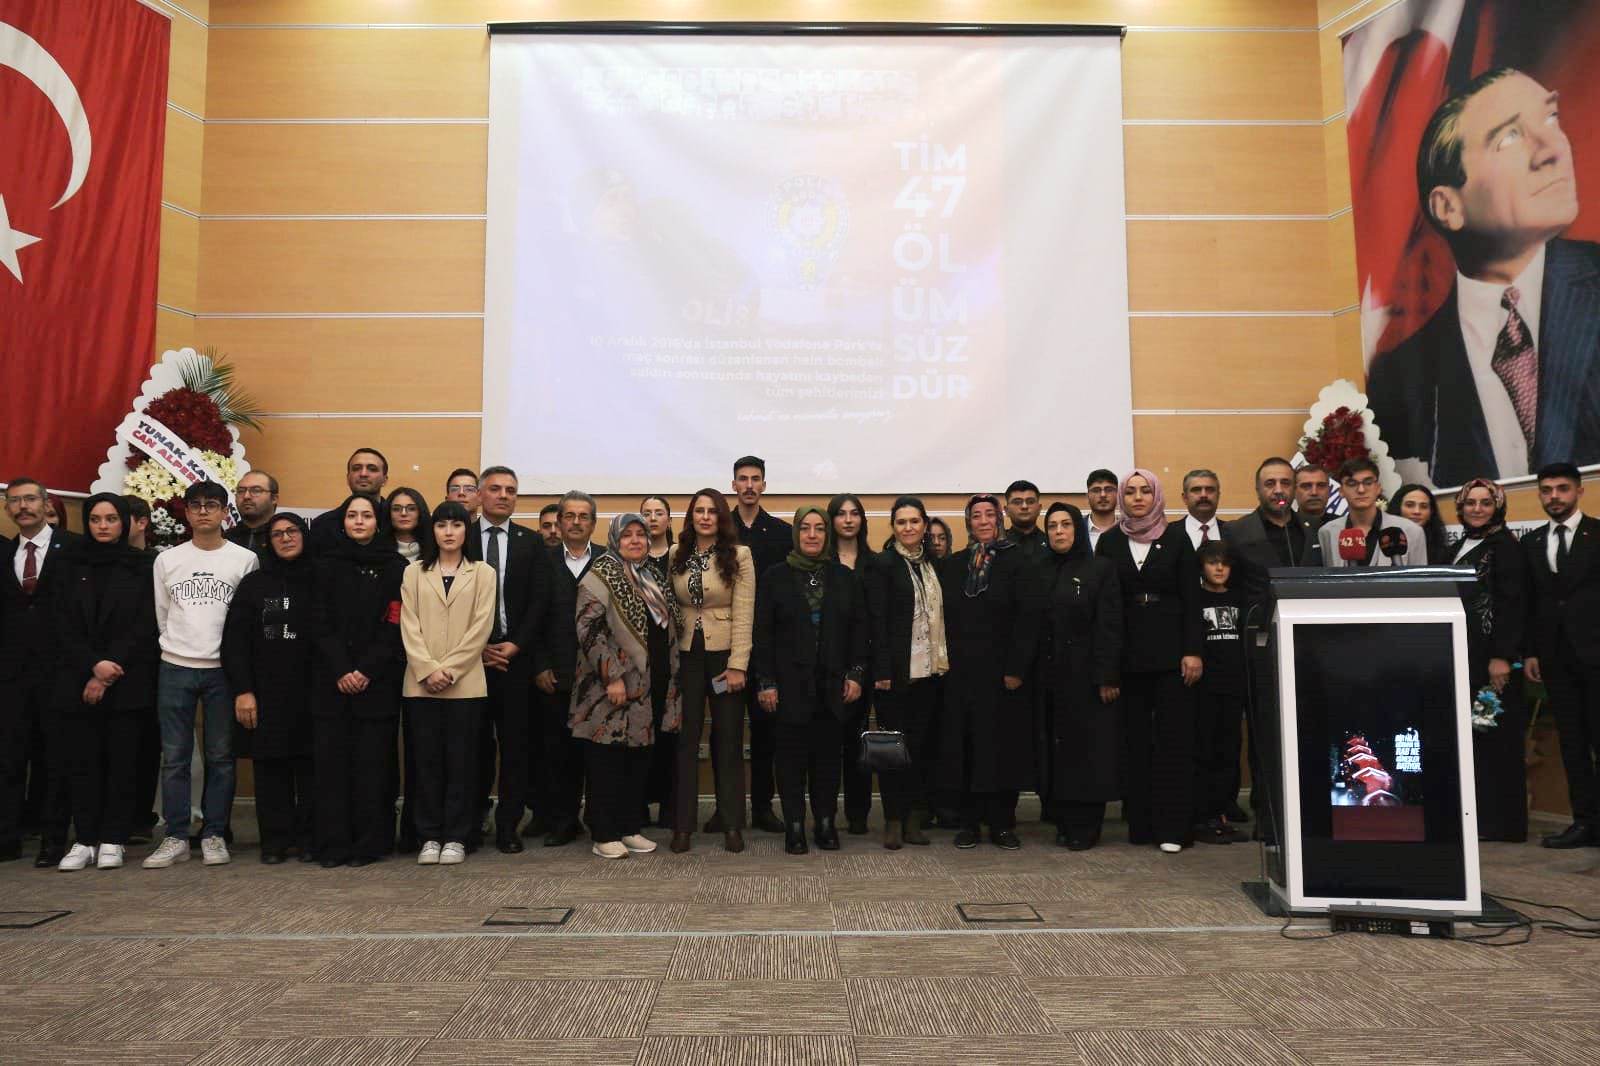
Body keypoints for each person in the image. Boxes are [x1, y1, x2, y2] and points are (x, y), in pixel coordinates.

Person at [1367, 68, 1600, 486]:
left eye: (1551, 118)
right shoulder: (1399, 376)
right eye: (1508, 137)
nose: (1552, 150)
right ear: (1448, 207)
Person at [143, 480, 261, 870]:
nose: (204, 511)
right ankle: (176, 835)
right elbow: (162, 615)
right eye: (196, 505)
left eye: (212, 504)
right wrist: (177, 647)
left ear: (226, 511)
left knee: (221, 756)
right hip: (175, 665)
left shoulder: (244, 559)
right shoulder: (167, 560)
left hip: (222, 670)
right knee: (174, 757)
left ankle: (213, 833)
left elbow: (246, 620)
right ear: (187, 512)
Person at [1096, 469, 1204, 854]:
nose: (1138, 497)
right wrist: (1108, 667)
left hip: (1173, 655)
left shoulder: (1176, 538)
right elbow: (1103, 605)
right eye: (1131, 492)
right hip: (1127, 655)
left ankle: (1174, 827)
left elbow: (1193, 598)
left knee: (1173, 743)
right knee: (1134, 743)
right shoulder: (1110, 541)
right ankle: (1141, 825)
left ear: (1156, 495)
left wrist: (1193, 650)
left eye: (1145, 491)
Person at [51, 494, 158, 871]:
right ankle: (84, 839)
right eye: (96, 519)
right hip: (78, 679)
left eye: (111, 519)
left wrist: (111, 666)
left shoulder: (143, 565)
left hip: (127, 680)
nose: (103, 526)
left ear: (124, 522)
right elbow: (61, 622)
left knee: (122, 762)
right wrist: (93, 666)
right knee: (82, 763)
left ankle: (114, 837)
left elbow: (146, 622)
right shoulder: (69, 564)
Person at [753, 506, 869, 854]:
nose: (813, 535)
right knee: (790, 760)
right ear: (796, 533)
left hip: (833, 685)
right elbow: (763, 634)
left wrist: (856, 673)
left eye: (819, 528)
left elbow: (859, 630)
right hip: (788, 685)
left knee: (828, 759)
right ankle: (795, 825)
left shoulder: (844, 577)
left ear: (827, 534)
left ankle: (825, 822)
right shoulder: (774, 577)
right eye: (805, 528)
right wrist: (766, 682)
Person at [571, 513, 682, 860]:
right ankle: (604, 832)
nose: (635, 540)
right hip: (611, 686)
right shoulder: (600, 574)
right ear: (615, 540)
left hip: (650, 683)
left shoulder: (652, 577)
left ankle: (629, 827)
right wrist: (613, 676)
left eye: (641, 534)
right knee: (607, 758)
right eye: (627, 535)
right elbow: (588, 629)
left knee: (638, 757)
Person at [936, 493, 1040, 850]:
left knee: (1002, 748)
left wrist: (1016, 668)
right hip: (962, 675)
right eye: (976, 515)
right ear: (968, 522)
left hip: (1003, 675)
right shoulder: (954, 565)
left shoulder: (1019, 561)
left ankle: (1002, 823)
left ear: (999, 519)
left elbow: (1028, 619)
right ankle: (969, 822)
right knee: (965, 747)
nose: (983, 521)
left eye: (989, 515)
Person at [309, 493, 405, 867]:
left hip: (377, 682)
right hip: (332, 682)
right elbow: (319, 622)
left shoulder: (396, 567)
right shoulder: (324, 565)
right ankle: (333, 844)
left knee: (372, 768)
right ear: (343, 522)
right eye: (352, 515)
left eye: (367, 515)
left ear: (379, 523)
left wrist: (365, 670)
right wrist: (342, 669)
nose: (359, 521)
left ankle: (370, 844)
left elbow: (395, 623)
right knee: (332, 768)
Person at [401, 500, 496, 867]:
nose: (449, 532)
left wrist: (450, 670)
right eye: (442, 525)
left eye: (456, 525)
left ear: (466, 531)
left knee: (462, 763)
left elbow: (481, 626)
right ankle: (429, 835)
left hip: (466, 684)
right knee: (426, 763)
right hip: (420, 684)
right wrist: (428, 669)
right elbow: (409, 625)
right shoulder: (413, 572)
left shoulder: (483, 573)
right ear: (433, 530)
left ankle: (457, 835)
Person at [222, 512, 317, 864]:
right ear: (268, 542)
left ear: (304, 535)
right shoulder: (254, 585)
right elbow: (235, 642)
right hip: (265, 693)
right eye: (277, 534)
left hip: (312, 693)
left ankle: (309, 839)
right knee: (270, 769)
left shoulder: (321, 578)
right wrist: (243, 690)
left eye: (292, 531)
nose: (286, 538)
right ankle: (275, 841)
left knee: (311, 769)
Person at [466, 466, 548, 853]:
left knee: (516, 748)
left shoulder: (531, 543)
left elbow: (539, 602)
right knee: (473, 746)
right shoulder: (460, 537)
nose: (503, 495)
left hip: (515, 661)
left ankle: (507, 826)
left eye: (511, 490)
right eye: (496, 489)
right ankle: (470, 821)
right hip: (469, 661)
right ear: (480, 495)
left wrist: (516, 644)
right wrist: (476, 647)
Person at [669, 487, 756, 853]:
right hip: (687, 659)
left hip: (724, 662)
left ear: (722, 517)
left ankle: (732, 824)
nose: (705, 517)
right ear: (691, 517)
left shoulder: (740, 555)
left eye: (712, 511)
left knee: (728, 740)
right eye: (699, 511)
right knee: (686, 741)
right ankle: (682, 827)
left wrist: (738, 666)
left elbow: (745, 614)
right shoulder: (676, 553)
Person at [1, 477, 82, 865]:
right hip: (12, 676)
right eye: (14, 501)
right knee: (9, 758)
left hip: (60, 672)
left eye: (30, 499)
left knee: (55, 759)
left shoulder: (74, 548)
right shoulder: (4, 552)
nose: (23, 506)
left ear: (46, 504)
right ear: (7, 509)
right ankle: (7, 838)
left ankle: (53, 839)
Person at [1522, 462, 1600, 848]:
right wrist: (1532, 652)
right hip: (1555, 660)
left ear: (1579, 491)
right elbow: (1531, 603)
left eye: (1562, 488)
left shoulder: (1597, 534)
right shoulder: (1532, 542)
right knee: (1572, 744)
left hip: (1596, 654)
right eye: (1547, 490)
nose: (1554, 496)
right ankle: (1585, 823)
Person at [1036, 503, 1121, 850]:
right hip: (1050, 678)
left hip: (1087, 678)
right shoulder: (1039, 569)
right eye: (1052, 526)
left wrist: (1108, 676)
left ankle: (1086, 824)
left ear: (1078, 529)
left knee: (1087, 751)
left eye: (1066, 524)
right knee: (1056, 752)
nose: (1059, 531)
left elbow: (1109, 625)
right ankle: (1062, 820)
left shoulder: (1099, 569)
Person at [1451, 478, 1529, 842]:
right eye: (1471, 503)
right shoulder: (1459, 545)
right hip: (1465, 661)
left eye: (1485, 502)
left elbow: (1513, 606)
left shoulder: (1505, 548)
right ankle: (1477, 818)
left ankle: (1502, 824)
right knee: (1474, 738)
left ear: (1497, 507)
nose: (1477, 509)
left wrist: (1502, 657)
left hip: (1492, 670)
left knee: (1492, 736)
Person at [868, 497, 948, 849]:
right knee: (892, 750)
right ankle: (893, 820)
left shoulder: (935, 564)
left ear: (924, 525)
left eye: (915, 521)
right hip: (894, 675)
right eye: (901, 522)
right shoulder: (882, 564)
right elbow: (877, 620)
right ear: (893, 527)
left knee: (920, 749)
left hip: (930, 673)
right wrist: (882, 668)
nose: (909, 527)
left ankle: (914, 818)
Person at [535, 489, 605, 847]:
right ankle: (563, 822)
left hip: (600, 675)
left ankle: (598, 820)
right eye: (570, 516)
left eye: (583, 516)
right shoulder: (541, 560)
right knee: (558, 753)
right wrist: (540, 664)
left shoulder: (609, 560)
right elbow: (531, 617)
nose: (576, 522)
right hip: (556, 672)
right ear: (560, 522)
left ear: (593, 523)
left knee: (597, 752)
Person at [729, 456, 791, 834]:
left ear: (764, 486)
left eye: (755, 479)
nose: (749, 485)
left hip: (768, 649)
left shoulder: (782, 534)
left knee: (766, 732)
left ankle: (764, 807)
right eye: (743, 479)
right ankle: (727, 808)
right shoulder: (721, 531)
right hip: (727, 648)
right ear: (733, 485)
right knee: (726, 733)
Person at [1192, 540, 1248, 845]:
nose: (1219, 568)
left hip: (1233, 686)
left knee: (1230, 750)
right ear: (1202, 567)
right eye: (1212, 562)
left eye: (1224, 563)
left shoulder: (1240, 598)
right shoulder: (1195, 599)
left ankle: (1225, 809)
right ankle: (1205, 814)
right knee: (1205, 750)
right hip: (1203, 688)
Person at [827, 492, 876, 835]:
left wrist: (861, 669)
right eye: (841, 514)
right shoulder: (821, 563)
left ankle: (858, 814)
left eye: (854, 513)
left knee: (859, 741)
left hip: (866, 663)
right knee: (829, 743)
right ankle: (827, 813)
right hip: (828, 663)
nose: (848, 520)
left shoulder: (877, 563)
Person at [1223, 458, 1322, 603]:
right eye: (1270, 484)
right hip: (1259, 614)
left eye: (1285, 483)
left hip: (1309, 613)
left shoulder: (1316, 528)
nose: (1279, 490)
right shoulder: (1236, 531)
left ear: (1295, 489)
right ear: (1258, 490)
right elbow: (1229, 587)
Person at [121, 493, 160, 843]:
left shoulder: (157, 563)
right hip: (104, 666)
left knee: (147, 744)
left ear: (142, 522)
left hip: (149, 665)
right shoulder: (94, 561)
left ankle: (139, 819)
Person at [638, 494, 676, 825]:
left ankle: (668, 803)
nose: (652, 518)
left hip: (673, 656)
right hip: (638, 655)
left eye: (659, 512)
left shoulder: (681, 557)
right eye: (646, 513)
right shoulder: (630, 560)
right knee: (640, 730)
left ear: (669, 520)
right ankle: (638, 804)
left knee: (670, 732)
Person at [1318, 459, 1429, 567]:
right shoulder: (1328, 532)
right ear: (1341, 491)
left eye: (1368, 483)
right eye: (1352, 483)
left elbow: (1421, 578)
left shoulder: (1410, 531)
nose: (1361, 490)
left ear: (1378, 488)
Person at [309, 448, 390, 549]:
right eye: (356, 468)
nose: (363, 474)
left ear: (384, 480)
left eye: (372, 469)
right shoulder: (323, 524)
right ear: (348, 478)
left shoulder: (395, 520)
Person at [1391, 484, 1450, 564]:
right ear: (1398, 508)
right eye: (1410, 505)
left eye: (1424, 506)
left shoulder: (1442, 552)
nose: (1417, 511)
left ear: (1431, 512)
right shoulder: (1383, 542)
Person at [226, 470, 279, 556]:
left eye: (256, 491)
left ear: (274, 498)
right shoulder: (224, 539)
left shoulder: (285, 538)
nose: (246, 496)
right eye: (241, 491)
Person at [1003, 479, 1047, 561]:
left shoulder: (1052, 544)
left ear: (1039, 509)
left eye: (1030, 502)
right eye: (1017, 502)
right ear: (1006, 510)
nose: (1024, 506)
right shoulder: (997, 546)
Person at [387, 487, 432, 565]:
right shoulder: (377, 548)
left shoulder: (435, 548)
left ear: (421, 512)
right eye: (396, 509)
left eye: (411, 509)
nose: (403, 513)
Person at [1180, 469, 1224, 548]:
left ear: (1218, 496)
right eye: (1196, 490)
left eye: (1210, 490)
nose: (1203, 495)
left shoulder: (1234, 534)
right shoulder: (1167, 534)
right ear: (1185, 498)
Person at [1084, 469, 1120, 553]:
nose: (1103, 495)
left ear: (1118, 495)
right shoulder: (1075, 529)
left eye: (1109, 489)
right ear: (1087, 496)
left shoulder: (1128, 531)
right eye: (1096, 490)